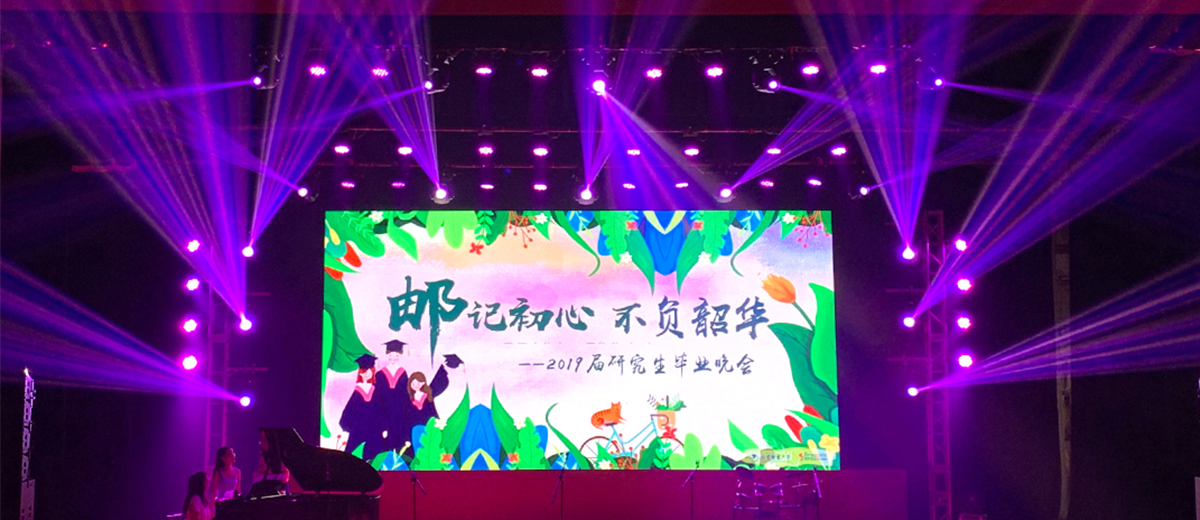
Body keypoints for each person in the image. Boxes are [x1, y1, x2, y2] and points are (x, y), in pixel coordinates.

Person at [339, 353, 385, 461]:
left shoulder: (375, 390)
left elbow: (380, 410)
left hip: (374, 428)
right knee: (356, 455)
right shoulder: (357, 392)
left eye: (369, 371)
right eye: (364, 372)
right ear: (360, 373)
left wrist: (384, 427)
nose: (366, 374)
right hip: (359, 428)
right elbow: (349, 410)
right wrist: (347, 426)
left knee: (375, 457)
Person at [376, 340, 410, 453]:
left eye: (396, 355)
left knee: (399, 435)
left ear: (400, 355)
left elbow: (406, 394)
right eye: (391, 355)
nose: (393, 357)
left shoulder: (403, 373)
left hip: (400, 410)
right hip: (384, 409)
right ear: (387, 355)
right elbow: (378, 394)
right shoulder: (380, 374)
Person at [251, 429, 290, 495]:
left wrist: (269, 477)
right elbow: (256, 476)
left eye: (263, 439)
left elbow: (285, 476)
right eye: (260, 439)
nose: (261, 442)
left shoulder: (280, 456)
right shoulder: (261, 455)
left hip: (279, 493)